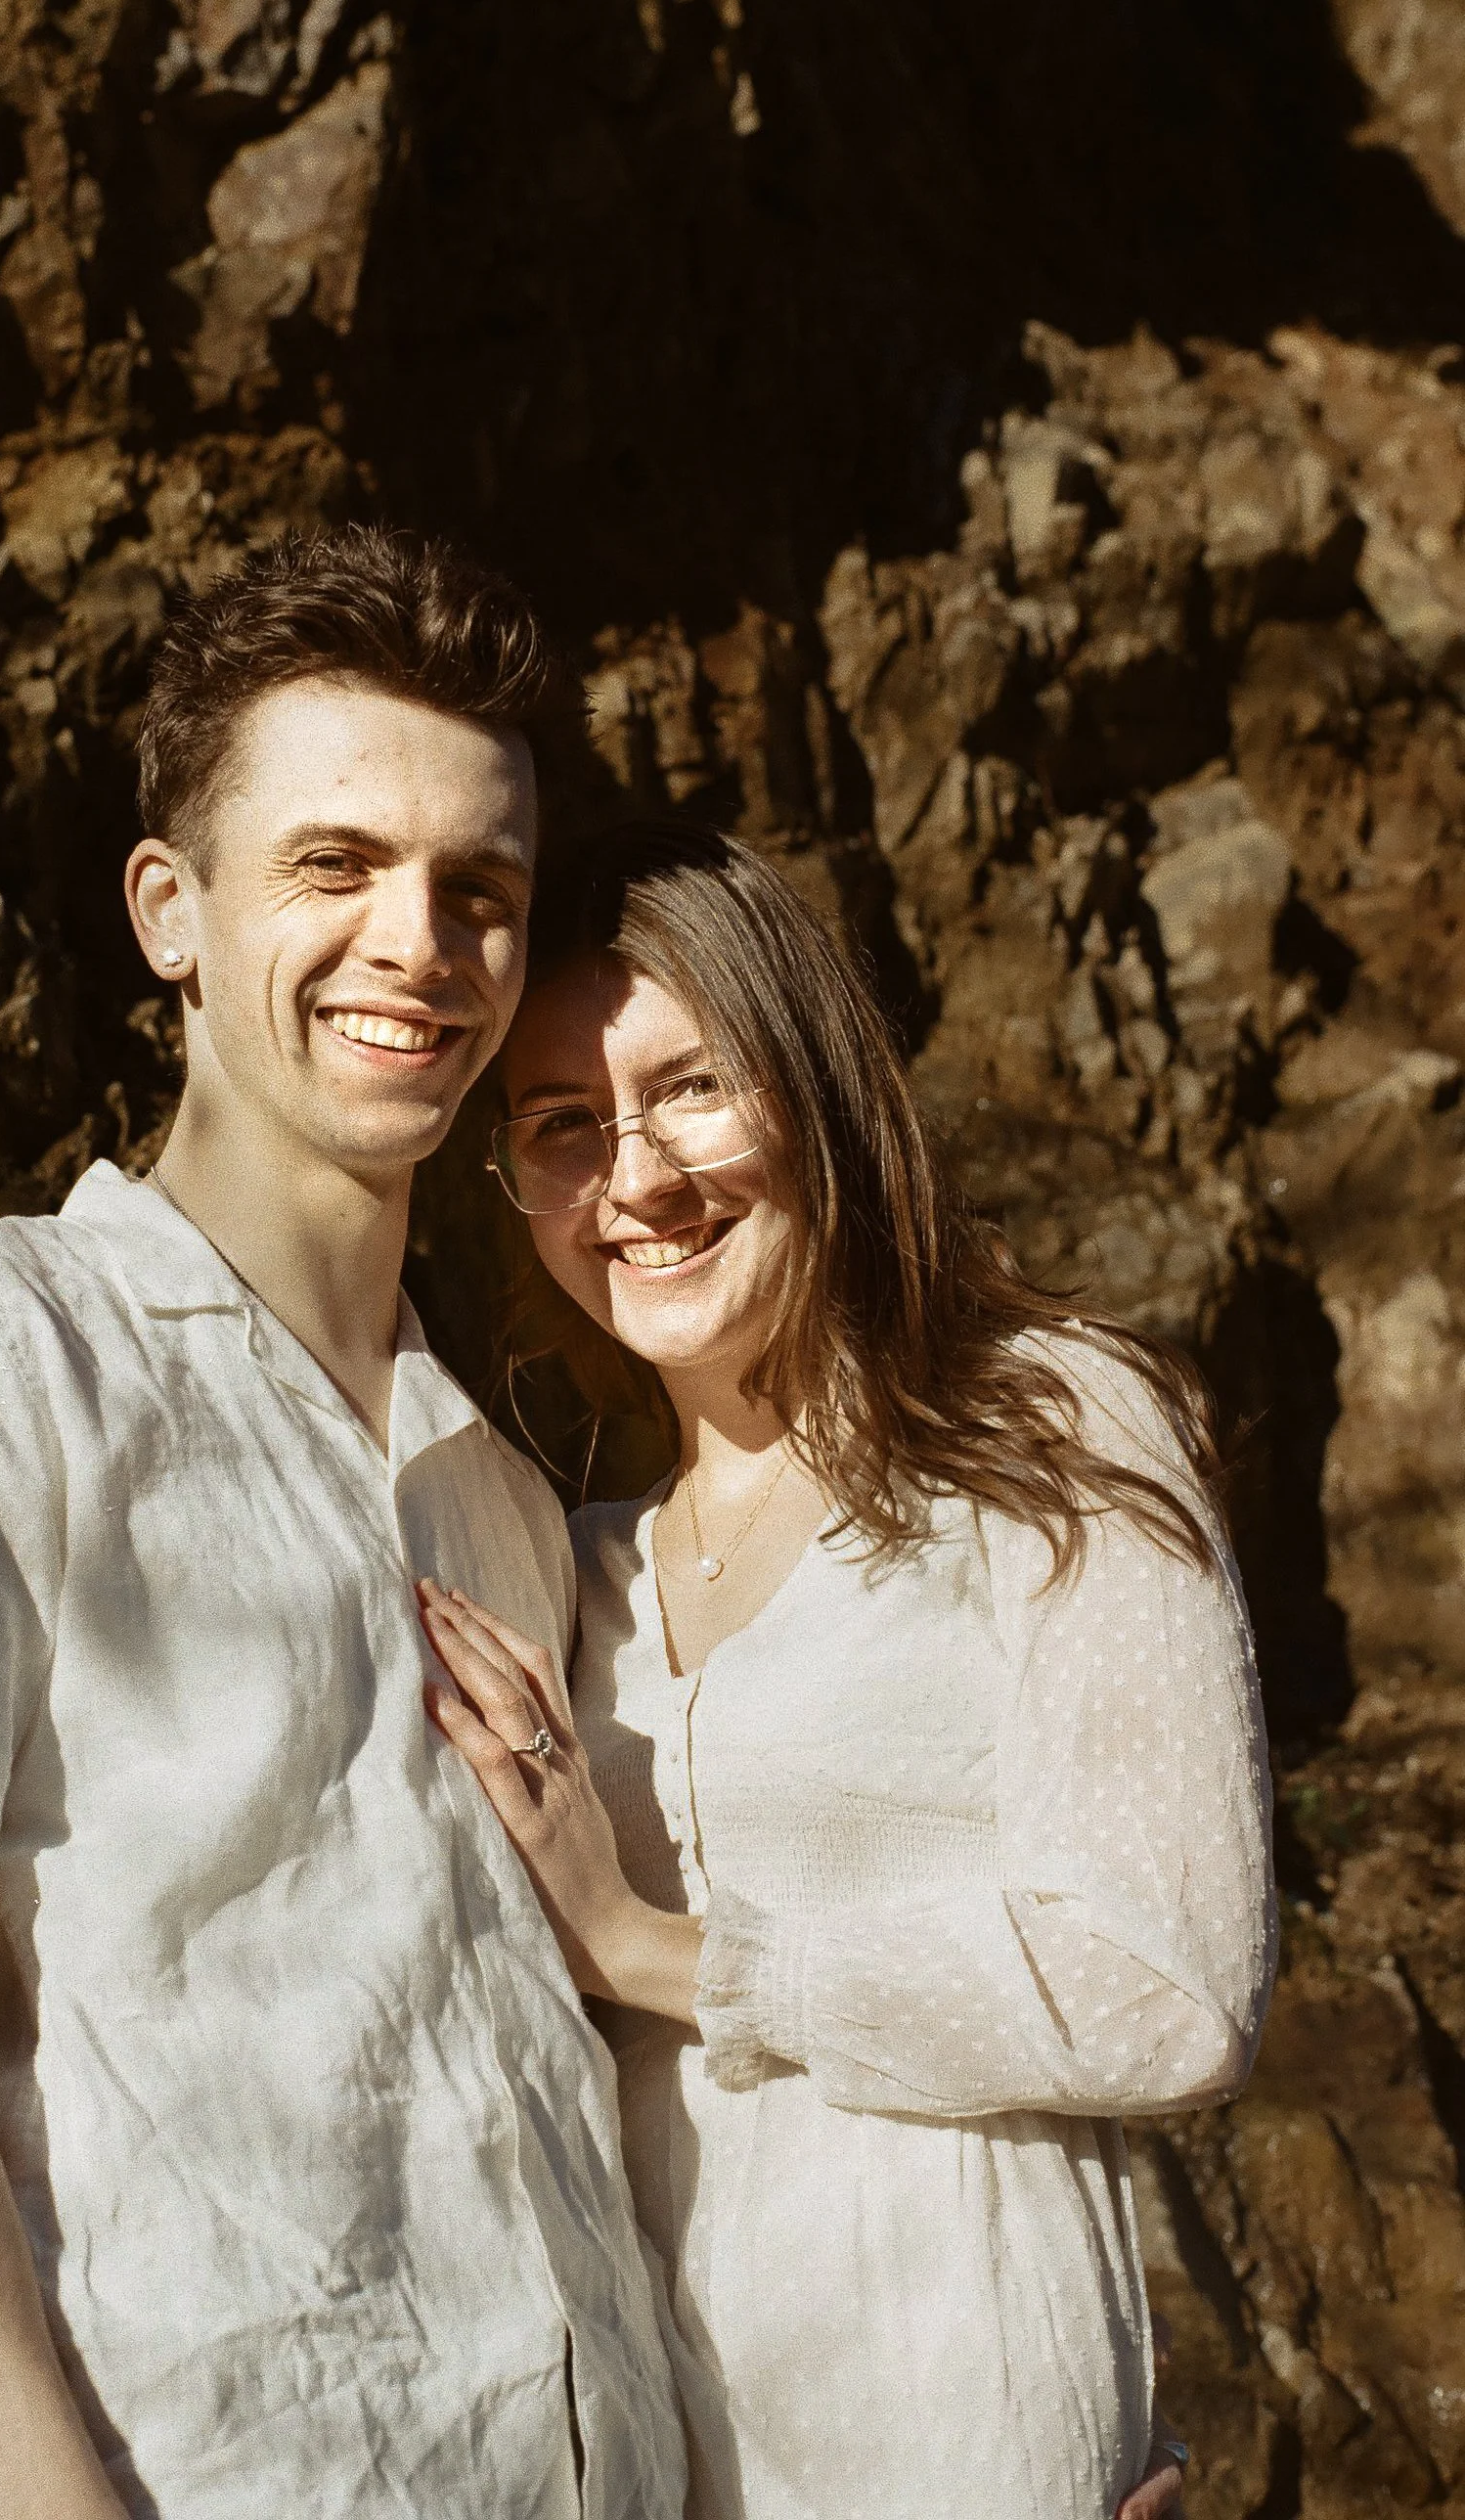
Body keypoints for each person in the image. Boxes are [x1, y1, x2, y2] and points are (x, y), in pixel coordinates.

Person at [0, 528, 688, 2520]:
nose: (419, 941)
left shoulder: (504, 1498)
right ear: (171, 910)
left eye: (478, 891)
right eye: (335, 866)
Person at [420, 818, 1276, 2520]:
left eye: (696, 1089)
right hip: (663, 2450)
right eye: (565, 1126)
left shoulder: (1051, 1427)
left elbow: (1169, 1986)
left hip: (963, 2428)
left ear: (817, 1089)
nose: (639, 1180)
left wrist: (648, 1946)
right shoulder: (573, 1562)